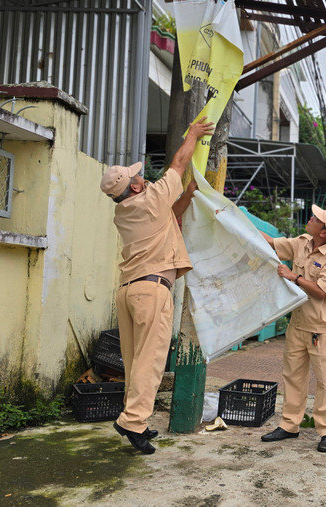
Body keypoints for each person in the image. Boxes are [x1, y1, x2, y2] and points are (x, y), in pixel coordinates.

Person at [100, 117, 215, 454]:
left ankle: (137, 417)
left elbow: (170, 213)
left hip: (128, 291)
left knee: (136, 361)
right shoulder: (150, 199)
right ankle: (132, 423)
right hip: (152, 291)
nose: (143, 177)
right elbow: (178, 164)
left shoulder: (125, 211)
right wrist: (193, 133)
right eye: (138, 176)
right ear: (135, 187)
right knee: (150, 362)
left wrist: (190, 193)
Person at [259, 205, 326, 453]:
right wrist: (235, 218)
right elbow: (272, 243)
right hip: (297, 325)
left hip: (321, 329)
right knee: (293, 377)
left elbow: (322, 292)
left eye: (316, 218)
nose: (310, 218)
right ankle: (289, 425)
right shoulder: (302, 243)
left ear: (324, 231)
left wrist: (293, 277)